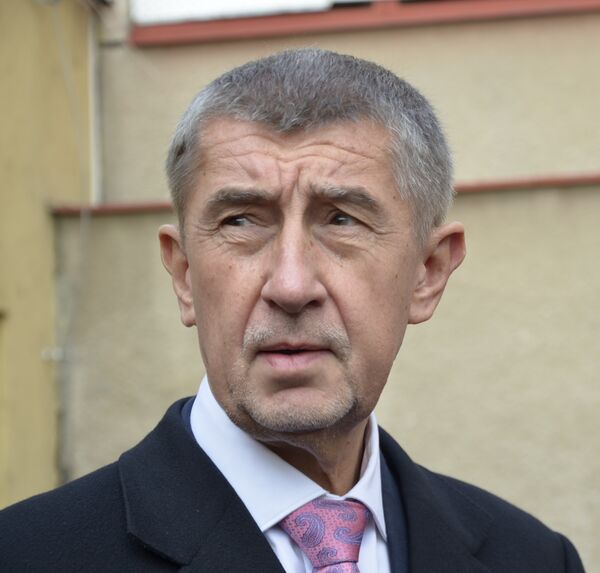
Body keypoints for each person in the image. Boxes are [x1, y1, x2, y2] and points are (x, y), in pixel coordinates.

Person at [0, 49, 585, 572]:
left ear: (428, 272)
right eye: (241, 221)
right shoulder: (26, 556)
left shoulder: (534, 559)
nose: (290, 285)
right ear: (183, 274)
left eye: (342, 220)